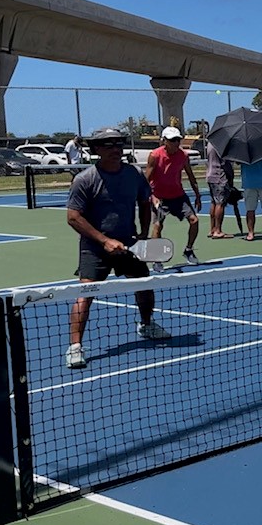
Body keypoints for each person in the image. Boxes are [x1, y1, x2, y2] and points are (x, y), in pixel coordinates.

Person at [64, 128, 171, 369]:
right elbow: (73, 217)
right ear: (96, 150)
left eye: (118, 144)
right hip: (94, 248)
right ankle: (75, 347)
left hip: (129, 244)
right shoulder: (85, 179)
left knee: (145, 285)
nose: (115, 149)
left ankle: (146, 324)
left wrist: (142, 234)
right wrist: (104, 240)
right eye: (108, 145)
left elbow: (144, 202)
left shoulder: (134, 174)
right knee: (86, 294)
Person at [144, 126, 202, 270]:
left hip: (178, 196)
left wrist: (197, 195)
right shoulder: (155, 155)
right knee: (157, 226)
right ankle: (157, 259)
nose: (176, 143)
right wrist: (152, 196)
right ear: (165, 141)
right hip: (159, 197)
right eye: (172, 140)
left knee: (194, 221)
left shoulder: (183, 156)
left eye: (178, 139)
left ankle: (188, 250)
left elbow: (191, 176)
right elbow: (146, 180)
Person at [204, 134, 236, 239]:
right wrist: (231, 177)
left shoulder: (210, 143)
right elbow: (225, 164)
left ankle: (212, 229)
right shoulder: (221, 145)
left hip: (210, 175)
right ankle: (218, 230)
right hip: (219, 176)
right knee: (220, 203)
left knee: (213, 201)